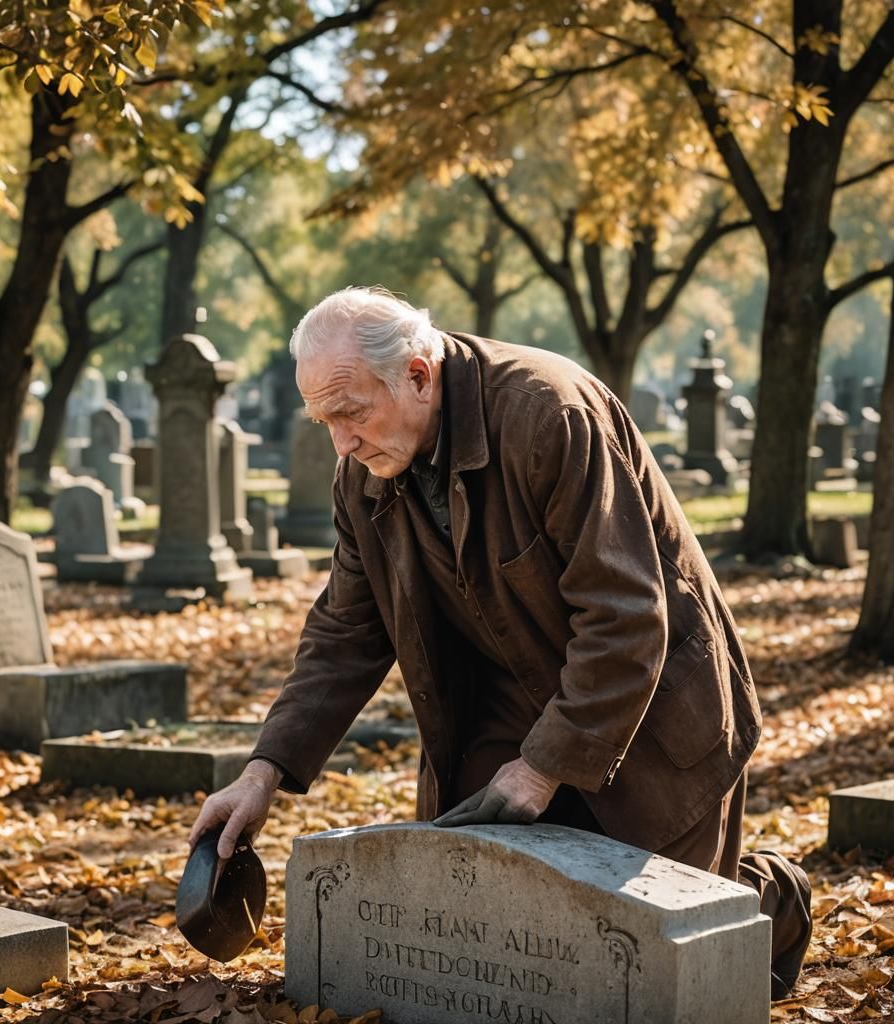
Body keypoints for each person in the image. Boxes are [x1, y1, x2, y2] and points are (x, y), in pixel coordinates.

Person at [189, 286, 812, 998]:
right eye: (324, 420)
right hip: (503, 707)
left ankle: (775, 899)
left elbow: (626, 618)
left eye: (351, 412)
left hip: (652, 707)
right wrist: (263, 771)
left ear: (419, 376)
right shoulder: (361, 473)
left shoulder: (550, 416)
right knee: (494, 923)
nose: (342, 442)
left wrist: (544, 767)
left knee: (648, 938)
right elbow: (344, 631)